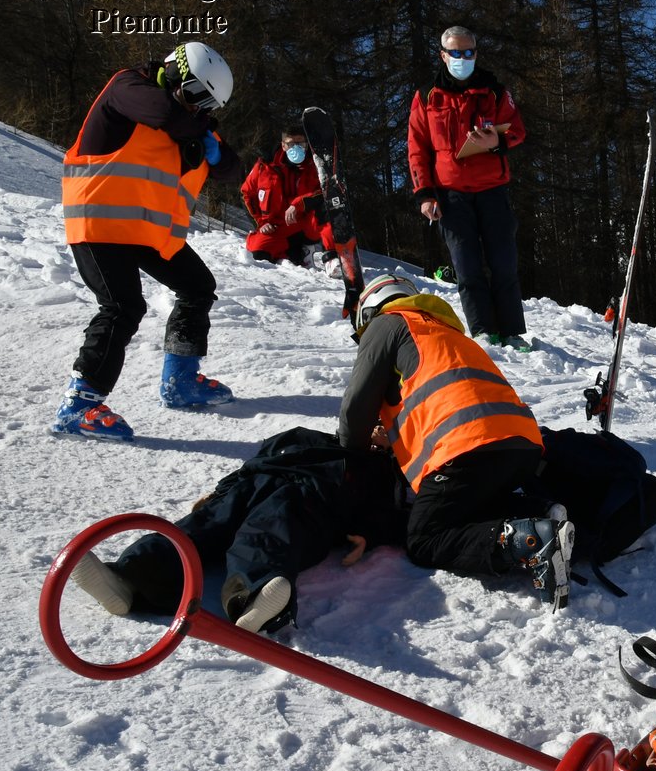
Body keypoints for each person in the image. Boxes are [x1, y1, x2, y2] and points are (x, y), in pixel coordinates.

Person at [336, 276, 574, 608]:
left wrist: (351, 455)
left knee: (424, 539)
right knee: (466, 508)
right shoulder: (446, 334)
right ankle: (540, 514)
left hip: (466, 448)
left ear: (369, 314)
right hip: (521, 447)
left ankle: (528, 541)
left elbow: (355, 411)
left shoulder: (387, 324)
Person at [53, 41, 244, 441]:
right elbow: (161, 112)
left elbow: (230, 170)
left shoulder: (188, 122)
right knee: (123, 306)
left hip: (144, 230)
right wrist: (201, 129)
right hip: (99, 222)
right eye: (194, 95)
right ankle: (80, 405)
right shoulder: (128, 87)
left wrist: (212, 144)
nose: (197, 108)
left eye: (207, 104)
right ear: (174, 73)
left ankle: (181, 382)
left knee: (197, 286)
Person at [69, 427, 410, 633]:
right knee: (201, 527)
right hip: (254, 484)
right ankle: (130, 578)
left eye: (388, 429)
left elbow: (386, 514)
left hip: (308, 501)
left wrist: (366, 534)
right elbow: (250, 466)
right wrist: (218, 492)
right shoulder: (300, 437)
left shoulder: (379, 471)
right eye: (375, 421)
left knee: (269, 533)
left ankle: (254, 596)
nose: (378, 431)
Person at [406, 26, 531, 351]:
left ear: (475, 53)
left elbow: (517, 130)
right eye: (456, 53)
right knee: (467, 266)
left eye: (468, 53)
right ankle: (482, 331)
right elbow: (417, 147)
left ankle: (512, 332)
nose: (462, 59)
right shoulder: (426, 96)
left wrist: (498, 141)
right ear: (443, 55)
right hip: (450, 196)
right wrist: (425, 194)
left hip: (492, 191)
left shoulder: (494, 92)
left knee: (503, 262)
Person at [241, 123, 336, 269]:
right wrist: (261, 222)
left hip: (307, 221)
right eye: (291, 144)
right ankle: (295, 252)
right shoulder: (265, 166)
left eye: (300, 143)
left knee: (328, 207)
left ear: (306, 144)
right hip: (277, 225)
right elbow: (247, 193)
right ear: (283, 146)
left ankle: (332, 258)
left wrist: (300, 203)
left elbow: (326, 192)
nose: (296, 148)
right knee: (259, 254)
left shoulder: (316, 165)